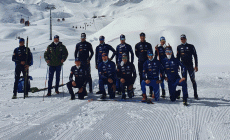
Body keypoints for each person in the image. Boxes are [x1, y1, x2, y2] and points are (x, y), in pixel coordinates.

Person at [177, 34, 198, 100]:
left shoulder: (191, 46)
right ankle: (185, 95)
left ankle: (195, 94)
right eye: (181, 39)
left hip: (190, 66)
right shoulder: (179, 47)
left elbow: (195, 56)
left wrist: (196, 65)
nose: (182, 40)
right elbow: (178, 57)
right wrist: (177, 66)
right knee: (184, 81)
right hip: (183, 66)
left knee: (193, 80)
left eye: (183, 38)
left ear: (186, 39)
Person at [135, 32, 153, 97]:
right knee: (141, 75)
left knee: (149, 74)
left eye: (143, 37)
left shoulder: (148, 45)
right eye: (141, 37)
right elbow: (136, 54)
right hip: (140, 62)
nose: (142, 38)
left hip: (148, 62)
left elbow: (151, 53)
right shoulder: (137, 45)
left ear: (145, 37)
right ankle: (143, 91)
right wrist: (141, 57)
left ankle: (151, 91)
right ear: (140, 37)